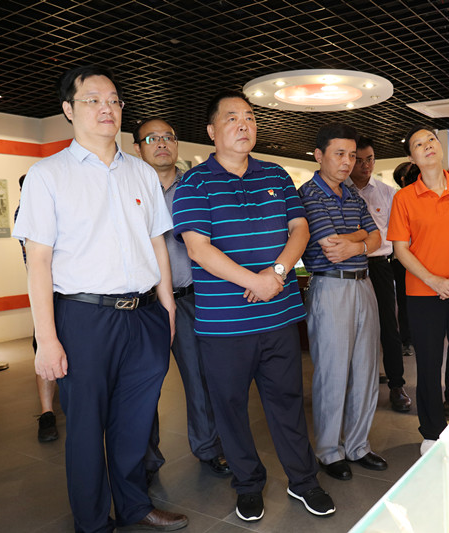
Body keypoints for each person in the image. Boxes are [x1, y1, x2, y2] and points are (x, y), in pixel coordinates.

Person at [12, 65, 188, 532]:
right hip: (84, 317)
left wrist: (168, 306)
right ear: (69, 110)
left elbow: (157, 243)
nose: (106, 108)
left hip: (145, 316)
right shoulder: (47, 175)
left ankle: (134, 506)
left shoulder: (141, 173)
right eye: (92, 100)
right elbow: (38, 262)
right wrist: (47, 339)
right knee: (87, 428)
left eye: (113, 100)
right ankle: (92, 522)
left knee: (135, 423)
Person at [173, 90, 334, 522]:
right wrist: (255, 282)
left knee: (287, 402)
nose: (244, 124)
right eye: (232, 118)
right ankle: (247, 484)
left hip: (278, 317)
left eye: (249, 117)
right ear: (212, 131)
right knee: (230, 409)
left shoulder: (276, 174)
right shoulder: (194, 183)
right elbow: (198, 248)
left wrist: (276, 274)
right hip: (223, 326)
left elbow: (299, 229)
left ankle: (304, 481)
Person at [132, 118, 230, 483]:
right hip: (144, 305)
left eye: (168, 137)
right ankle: (145, 460)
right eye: (152, 138)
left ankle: (209, 448)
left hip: (190, 299)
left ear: (177, 144)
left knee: (200, 378)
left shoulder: (197, 186)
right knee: (142, 385)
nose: (161, 143)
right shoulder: (129, 188)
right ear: (138, 148)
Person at [387, 126, 449, 456]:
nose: (427, 146)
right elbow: (401, 249)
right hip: (422, 293)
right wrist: (434, 281)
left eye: (431, 139)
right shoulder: (404, 198)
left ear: (439, 147)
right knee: (429, 365)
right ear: (412, 157)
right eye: (418, 144)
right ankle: (431, 431)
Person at [298, 123, 388, 481]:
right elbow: (331, 246)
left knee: (366, 369)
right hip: (330, 286)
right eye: (340, 154)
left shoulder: (352, 194)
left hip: (364, 284)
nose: (348, 162)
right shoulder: (308, 194)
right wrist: (362, 239)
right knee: (332, 372)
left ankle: (357, 445)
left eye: (352, 155)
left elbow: (378, 236)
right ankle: (329, 450)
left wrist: (359, 242)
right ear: (319, 155)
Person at [345, 136, 411, 413]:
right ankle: (354, 385)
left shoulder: (387, 193)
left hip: (380, 265)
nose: (365, 165)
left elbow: (399, 234)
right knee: (351, 329)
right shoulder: (339, 190)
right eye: (358, 160)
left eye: (369, 159)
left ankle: (397, 385)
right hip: (348, 265)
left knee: (388, 327)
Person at [16, 174, 59, 443]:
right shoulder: (26, 213)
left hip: (76, 295)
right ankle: (47, 413)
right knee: (44, 351)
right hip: (48, 295)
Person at [391, 162, 420, 358]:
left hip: (424, 257)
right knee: (405, 300)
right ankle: (407, 340)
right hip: (401, 259)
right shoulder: (399, 199)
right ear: (403, 180)